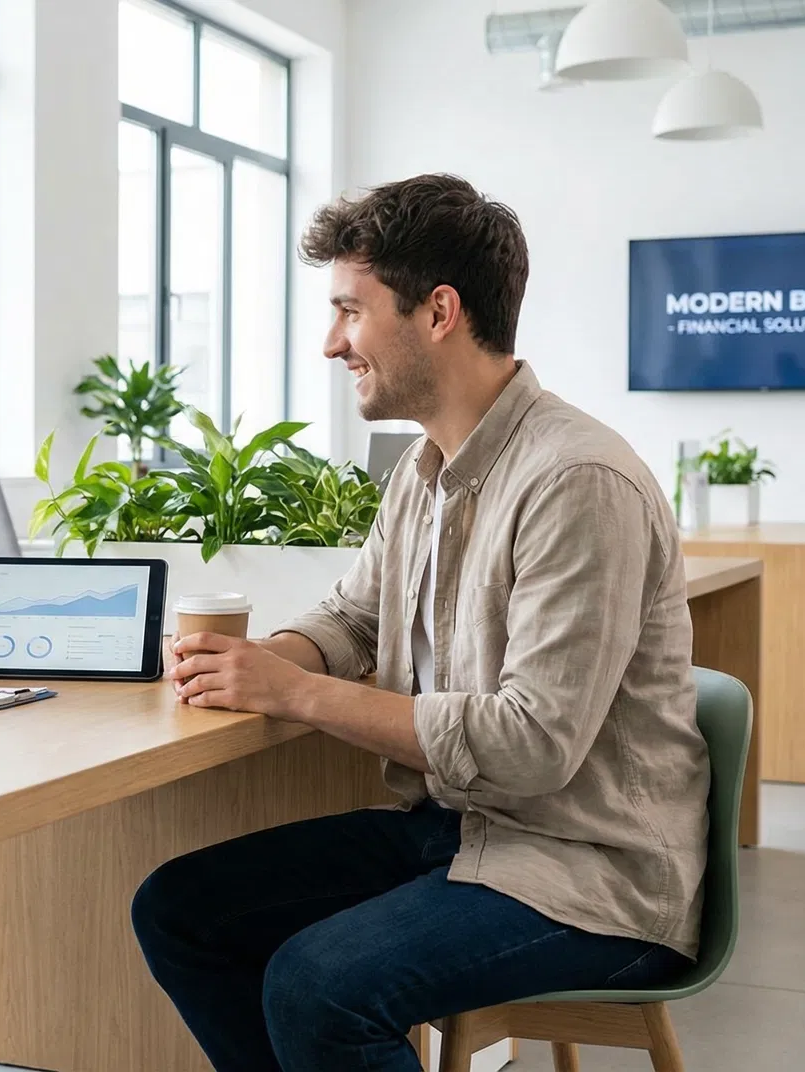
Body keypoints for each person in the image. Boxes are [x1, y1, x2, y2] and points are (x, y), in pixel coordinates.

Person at [130, 175, 709, 1072]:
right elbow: (354, 614)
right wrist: (265, 659)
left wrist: (298, 694)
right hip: (455, 828)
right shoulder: (424, 469)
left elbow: (533, 745)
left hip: (589, 871)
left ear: (439, 311)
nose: (332, 343)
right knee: (181, 910)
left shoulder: (578, 481)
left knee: (317, 988)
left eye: (350, 311)